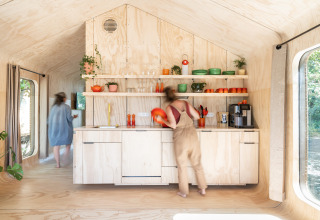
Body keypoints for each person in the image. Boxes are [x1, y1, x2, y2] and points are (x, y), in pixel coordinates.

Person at [157, 87, 207, 198]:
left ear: (166, 97)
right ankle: (202, 189)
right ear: (175, 94)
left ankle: (184, 192)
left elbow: (173, 125)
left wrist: (162, 120)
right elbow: (197, 116)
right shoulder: (185, 103)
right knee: (197, 163)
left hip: (181, 138)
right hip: (192, 135)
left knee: (182, 165)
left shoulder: (169, 108)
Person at [48, 92, 78, 168]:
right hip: (65, 130)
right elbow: (69, 119)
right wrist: (74, 117)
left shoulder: (53, 107)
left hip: (54, 131)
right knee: (68, 145)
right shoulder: (66, 107)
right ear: (64, 99)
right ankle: (65, 159)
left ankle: (58, 164)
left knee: (56, 147)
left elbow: (49, 120)